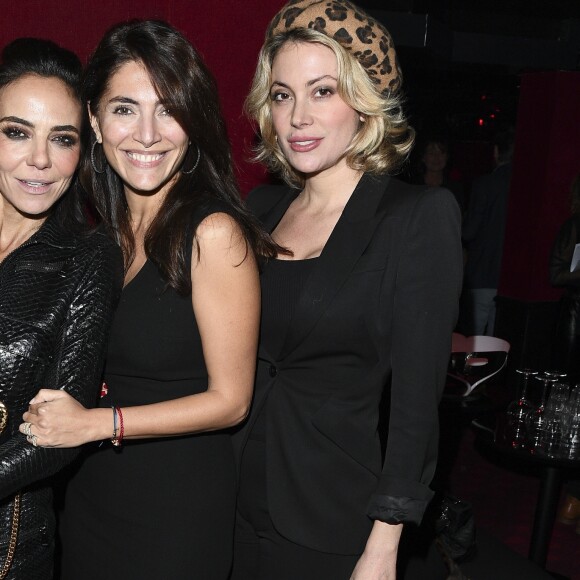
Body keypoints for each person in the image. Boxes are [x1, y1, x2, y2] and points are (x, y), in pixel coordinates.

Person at [22, 20, 275, 579]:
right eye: (124, 109)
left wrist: (98, 424)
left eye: (167, 109)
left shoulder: (212, 233)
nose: (147, 134)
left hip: (172, 515)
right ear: (93, 119)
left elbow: (231, 400)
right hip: (90, 498)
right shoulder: (101, 235)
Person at [230, 2, 463, 579]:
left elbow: (415, 410)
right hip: (225, 497)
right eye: (282, 95)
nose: (298, 117)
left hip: (328, 518)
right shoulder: (261, 208)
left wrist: (384, 547)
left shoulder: (416, 217)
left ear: (364, 103)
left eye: (323, 91)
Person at [0, 38, 122, 579]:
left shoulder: (88, 257)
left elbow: (57, 436)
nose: (40, 160)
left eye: (62, 138)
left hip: (10, 547)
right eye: (16, 132)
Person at [459, 128, 514, 336]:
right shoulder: (525, 186)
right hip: (510, 278)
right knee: (497, 342)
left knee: (473, 340)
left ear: (496, 152)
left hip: (482, 274)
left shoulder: (485, 185)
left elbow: (469, 232)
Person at [549, 172, 580, 533]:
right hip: (576, 319)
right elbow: (555, 274)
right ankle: (570, 493)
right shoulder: (575, 226)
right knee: (571, 403)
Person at [409, 135, 465, 214]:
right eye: (431, 153)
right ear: (423, 157)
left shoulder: (455, 189)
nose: (437, 157)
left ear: (447, 157)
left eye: (441, 153)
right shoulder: (413, 186)